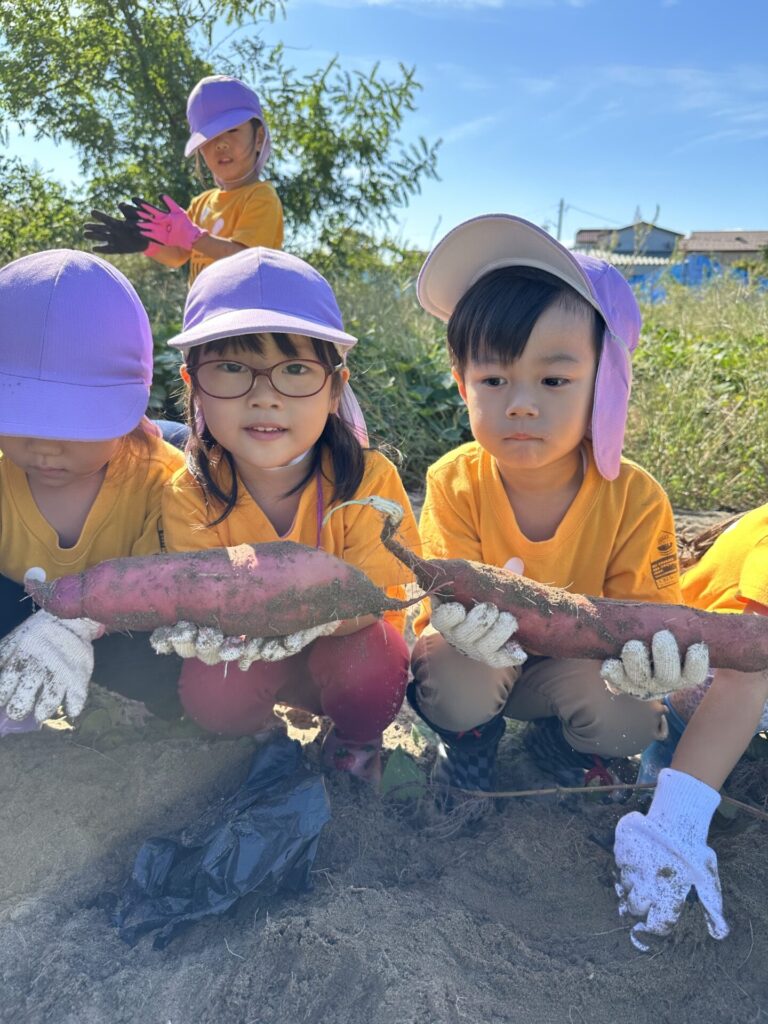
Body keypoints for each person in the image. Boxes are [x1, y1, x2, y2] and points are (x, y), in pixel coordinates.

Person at [406, 213, 710, 793]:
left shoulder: (635, 498)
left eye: (553, 381)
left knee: (630, 719)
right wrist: (472, 619)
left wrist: (651, 666)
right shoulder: (454, 481)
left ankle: (559, 743)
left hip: (574, 672)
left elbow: (644, 621)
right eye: (494, 380)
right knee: (455, 675)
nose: (520, 404)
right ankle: (471, 743)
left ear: (604, 381)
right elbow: (444, 609)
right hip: (484, 660)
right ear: (460, 380)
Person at [150, 246, 419, 782]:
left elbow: (382, 595)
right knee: (210, 688)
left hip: (343, 650)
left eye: (294, 369)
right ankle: (259, 738)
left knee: (378, 659)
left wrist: (292, 615)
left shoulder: (369, 480)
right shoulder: (188, 492)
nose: (265, 397)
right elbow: (201, 603)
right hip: (248, 653)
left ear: (336, 385)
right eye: (231, 368)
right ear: (192, 383)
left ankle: (354, 741)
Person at [0, 249, 186, 735]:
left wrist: (84, 619)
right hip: (15, 610)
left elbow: (173, 584)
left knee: (179, 667)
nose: (45, 447)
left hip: (121, 631)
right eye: (18, 420)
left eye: (74, 424)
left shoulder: (164, 480)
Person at [613, 504, 768, 951]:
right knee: (674, 767)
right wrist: (677, 821)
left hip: (742, 679)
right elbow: (747, 671)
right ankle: (653, 799)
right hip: (698, 670)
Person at [84, 75, 284, 286]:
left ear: (259, 138)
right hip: (204, 316)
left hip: (247, 315)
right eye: (210, 136)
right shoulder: (201, 203)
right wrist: (146, 243)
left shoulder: (261, 197)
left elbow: (249, 263)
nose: (221, 144)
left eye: (232, 130)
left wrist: (196, 237)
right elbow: (178, 255)